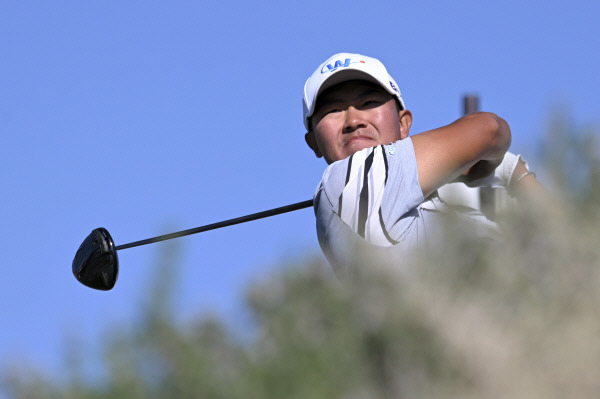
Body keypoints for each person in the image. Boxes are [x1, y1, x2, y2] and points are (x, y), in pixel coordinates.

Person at [302, 53, 540, 278]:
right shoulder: (342, 180)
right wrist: (503, 167)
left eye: (369, 101)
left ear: (404, 123)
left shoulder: (440, 197)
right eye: (334, 110)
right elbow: (490, 128)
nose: (353, 121)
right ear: (313, 142)